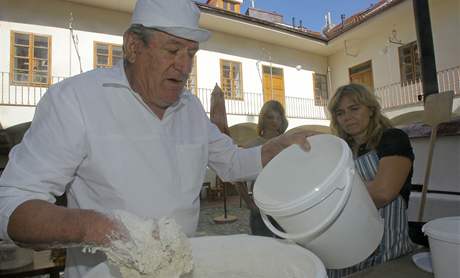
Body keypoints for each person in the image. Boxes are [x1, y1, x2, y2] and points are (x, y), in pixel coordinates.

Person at [0, 0, 311, 277]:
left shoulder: (190, 108)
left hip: (181, 269)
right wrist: (95, 227)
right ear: (134, 46)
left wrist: (276, 147)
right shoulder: (76, 100)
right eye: (173, 50)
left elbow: (230, 162)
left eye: (191, 53)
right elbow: (12, 205)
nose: (185, 65)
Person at [327, 83, 414, 277]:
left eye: (354, 108)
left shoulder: (392, 139)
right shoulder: (340, 150)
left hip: (386, 249)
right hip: (345, 251)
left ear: (371, 109)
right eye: (340, 113)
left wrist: (331, 195)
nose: (347, 117)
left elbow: (383, 193)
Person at [242, 100, 288, 237]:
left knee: (287, 247)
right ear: (263, 119)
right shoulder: (252, 145)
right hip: (260, 207)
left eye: (278, 117)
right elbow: (237, 178)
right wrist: (249, 203)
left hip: (285, 205)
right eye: (270, 117)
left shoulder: (288, 143)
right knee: (263, 247)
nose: (275, 121)